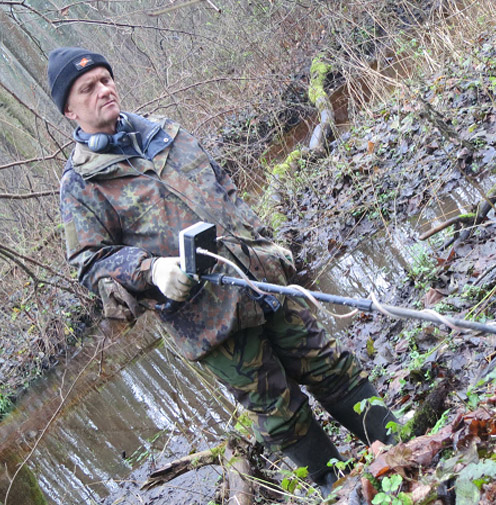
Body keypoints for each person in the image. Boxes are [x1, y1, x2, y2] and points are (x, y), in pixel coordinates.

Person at [48, 47, 397, 496]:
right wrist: (152, 271)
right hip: (207, 317)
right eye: (88, 88)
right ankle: (344, 488)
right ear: (69, 110)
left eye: (105, 79)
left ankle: (403, 447)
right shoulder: (80, 186)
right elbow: (89, 261)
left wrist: (263, 240)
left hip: (260, 278)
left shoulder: (165, 133)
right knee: (280, 412)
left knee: (331, 368)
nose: (104, 90)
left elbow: (224, 187)